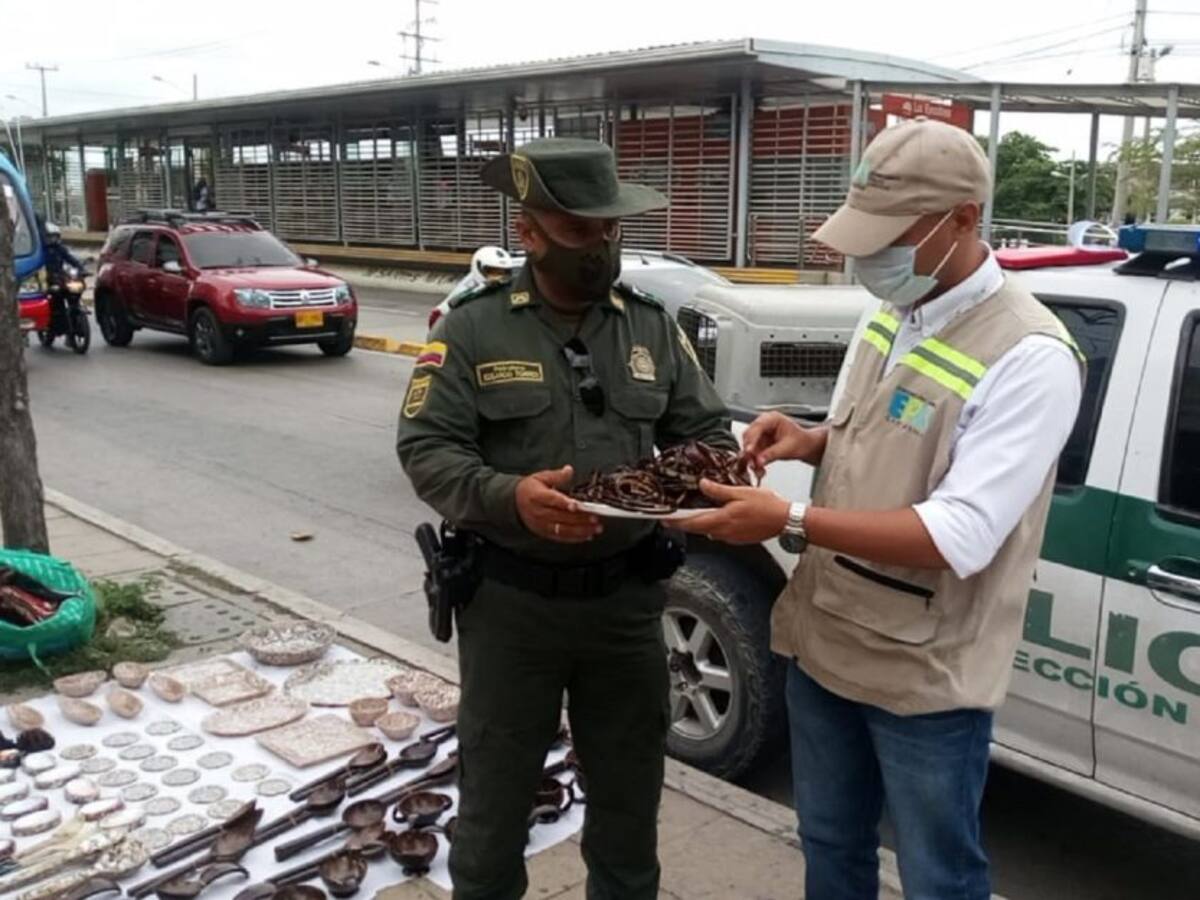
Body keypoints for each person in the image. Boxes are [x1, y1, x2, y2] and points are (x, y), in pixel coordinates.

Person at [675, 118, 1084, 900]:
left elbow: (958, 532)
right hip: (826, 640)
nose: (866, 258)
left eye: (889, 235)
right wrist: (810, 439)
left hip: (922, 675)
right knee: (829, 843)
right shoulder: (890, 311)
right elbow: (884, 433)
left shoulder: (1032, 357)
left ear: (965, 218)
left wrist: (784, 522)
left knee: (938, 876)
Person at [396, 137, 736, 900]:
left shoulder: (649, 326)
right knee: (494, 806)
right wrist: (508, 496)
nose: (601, 247)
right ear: (529, 234)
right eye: (581, 232)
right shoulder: (472, 329)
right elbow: (426, 450)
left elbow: (708, 436)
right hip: (512, 610)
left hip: (625, 607)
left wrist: (668, 487)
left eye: (610, 230)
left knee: (628, 805)